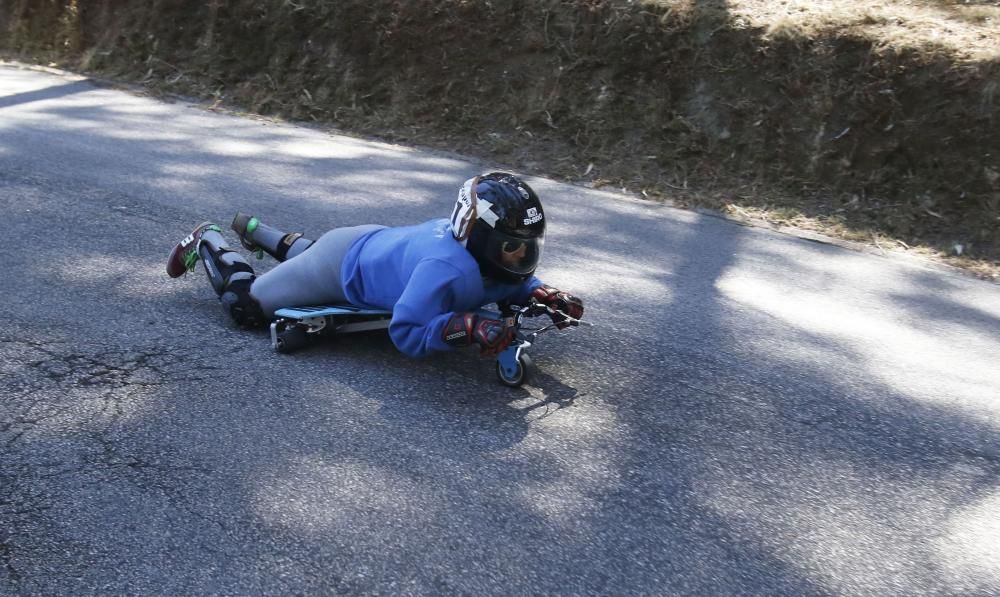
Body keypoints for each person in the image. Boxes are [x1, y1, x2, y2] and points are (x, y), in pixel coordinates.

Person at [166, 172, 584, 358]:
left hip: (366, 247)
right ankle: (208, 238)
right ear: (478, 237)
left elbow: (505, 281)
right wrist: (469, 327)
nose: (522, 258)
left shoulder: (477, 252)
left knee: (310, 256)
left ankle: (258, 231)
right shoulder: (446, 269)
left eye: (529, 249)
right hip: (341, 266)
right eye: (512, 246)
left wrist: (540, 292)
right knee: (245, 305)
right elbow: (406, 330)